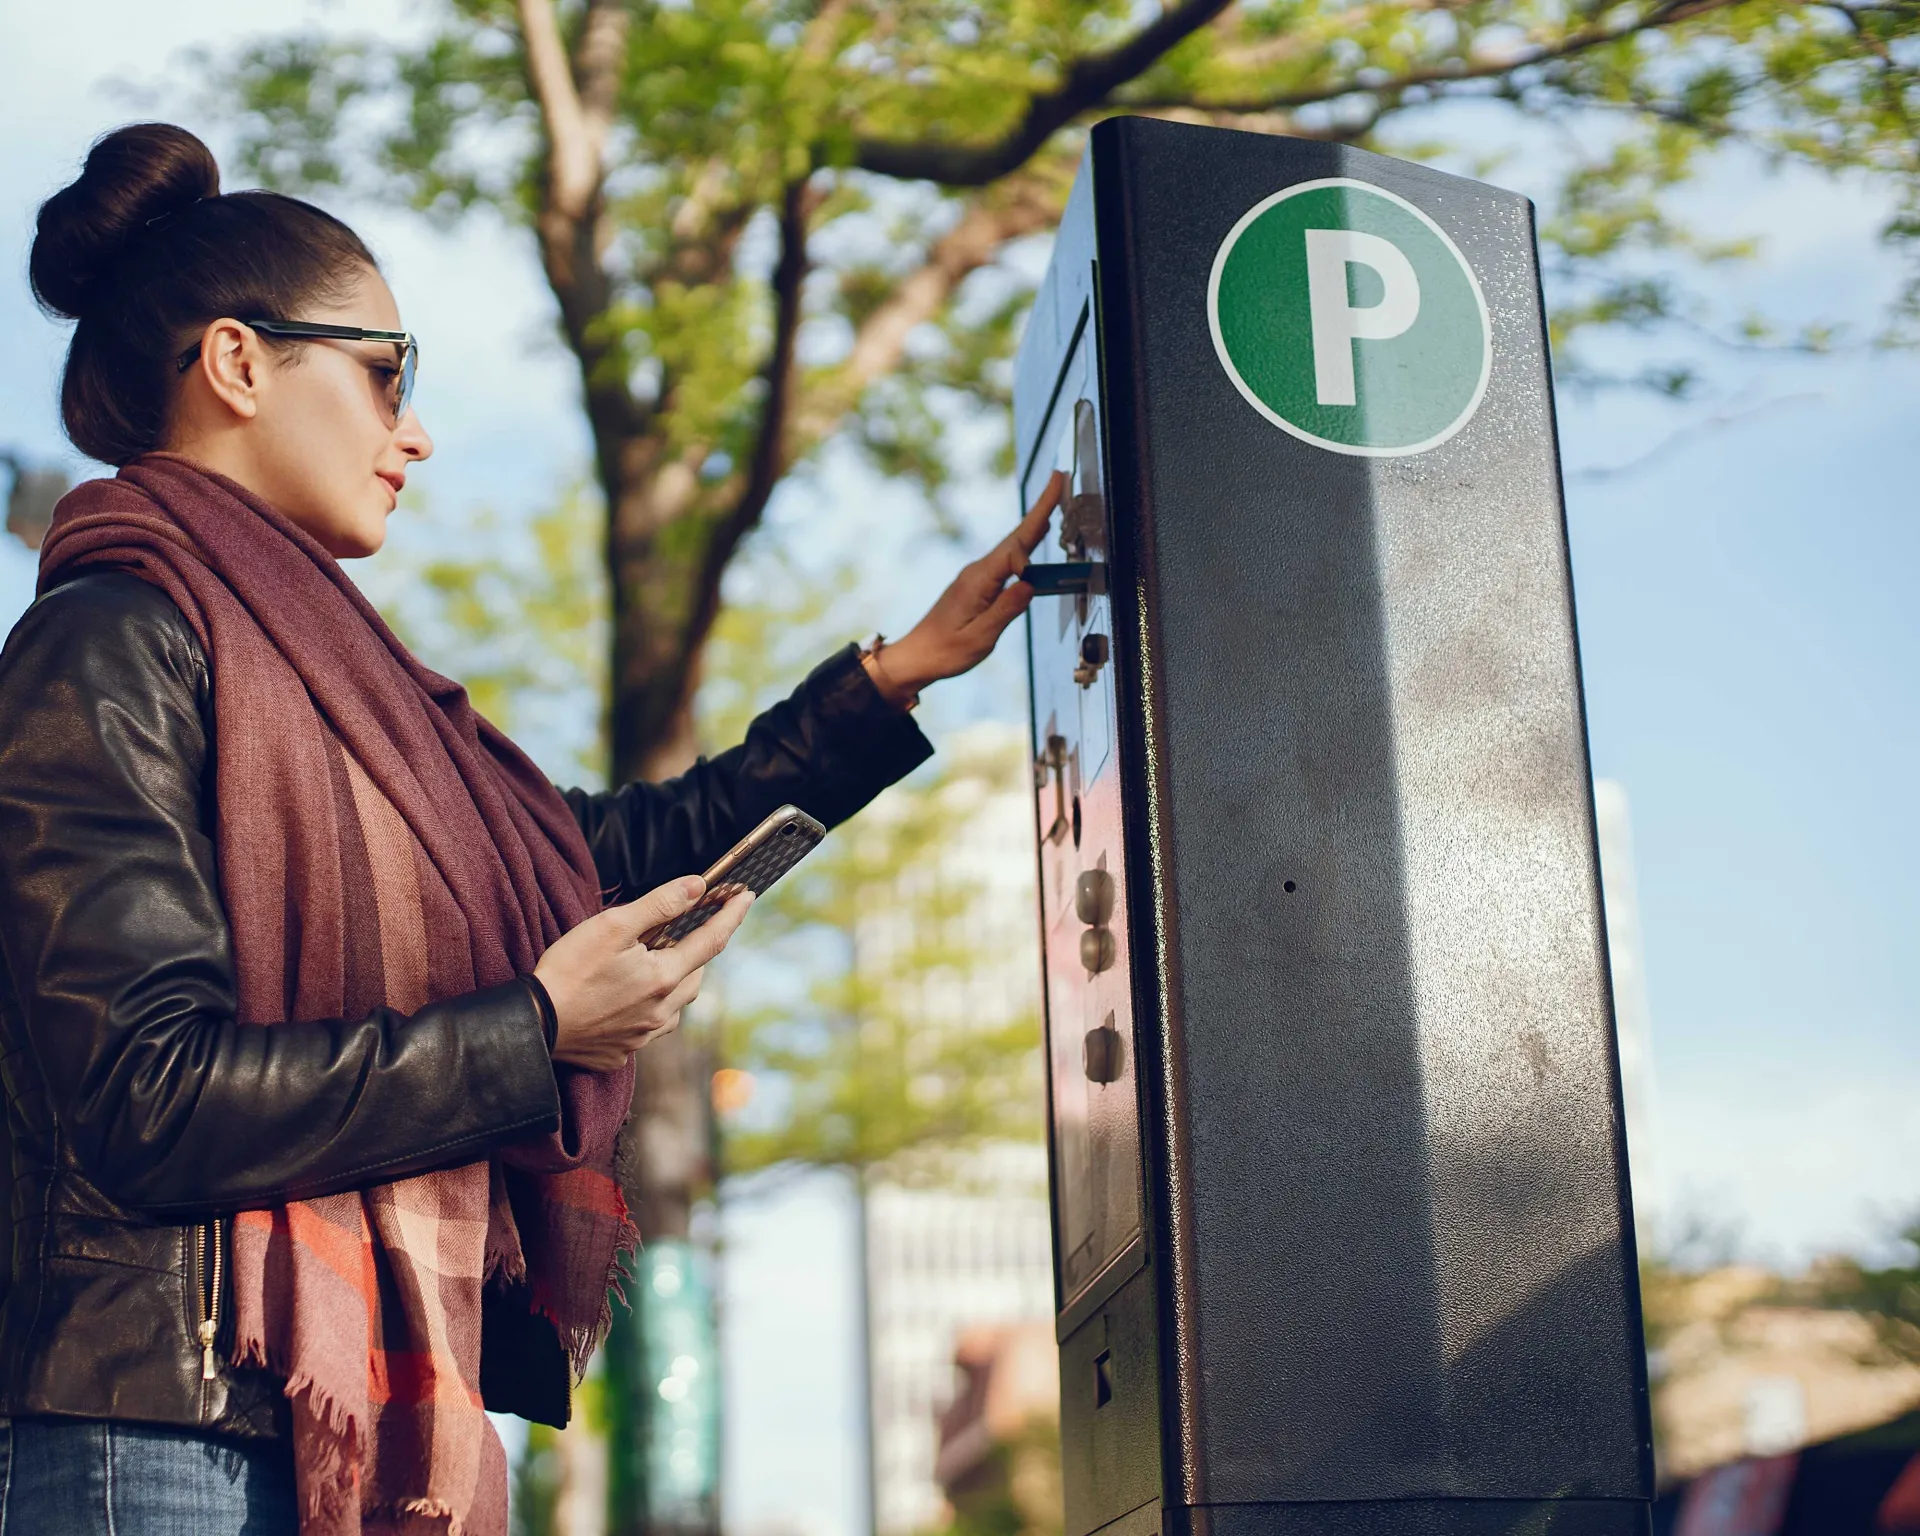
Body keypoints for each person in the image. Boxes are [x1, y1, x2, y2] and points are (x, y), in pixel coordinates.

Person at [0, 122, 1059, 1536]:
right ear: (241, 363)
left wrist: (888, 686)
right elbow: (149, 1098)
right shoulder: (106, 645)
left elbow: (591, 857)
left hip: (331, 1422)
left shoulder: (354, 701)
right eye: (386, 375)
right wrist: (532, 1034)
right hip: (163, 1432)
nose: (414, 430)